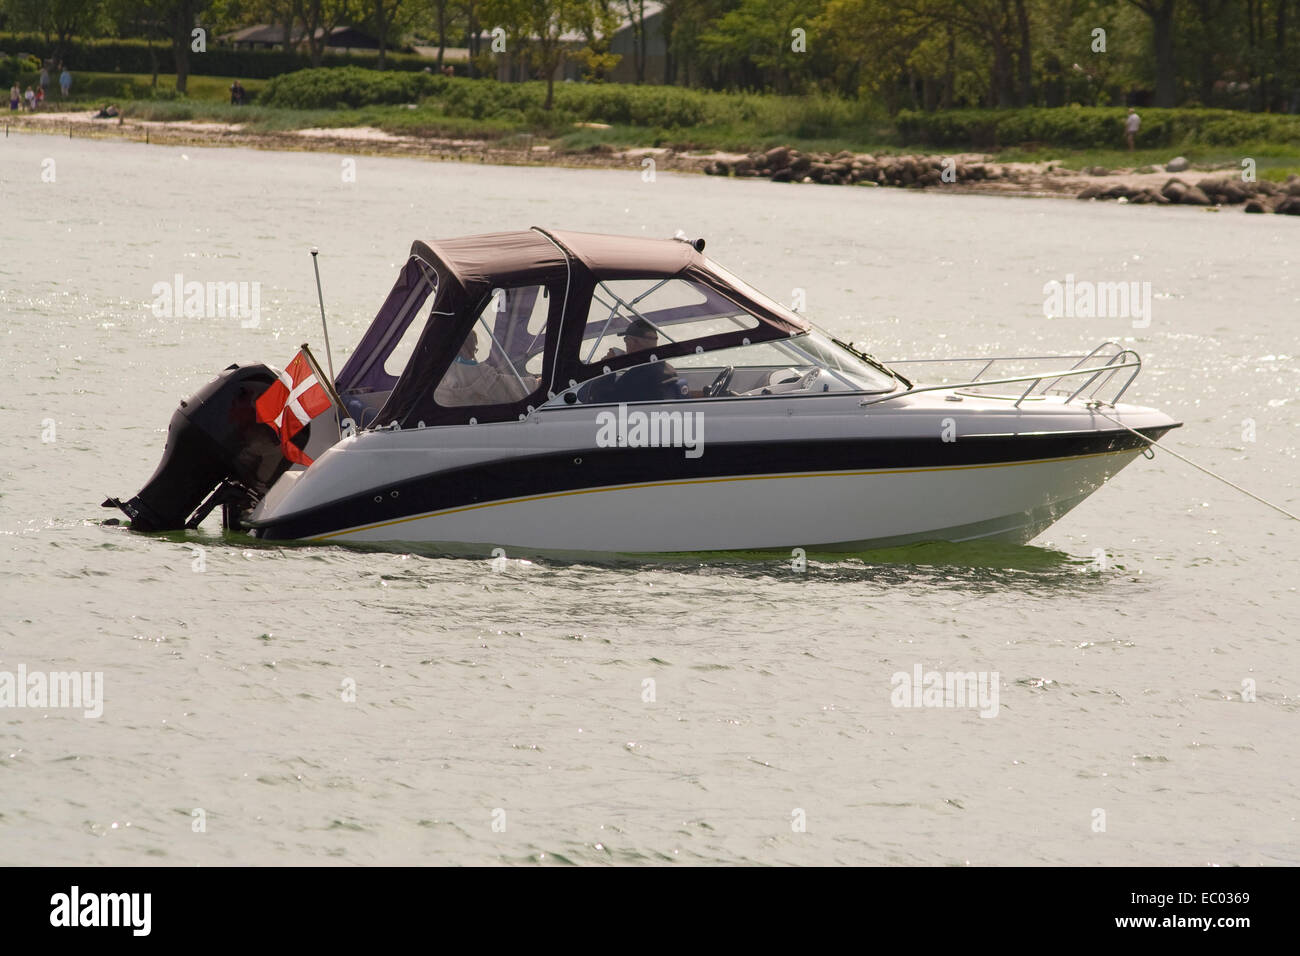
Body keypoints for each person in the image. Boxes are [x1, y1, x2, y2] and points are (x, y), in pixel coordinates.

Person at [590, 317, 689, 403]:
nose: (625, 343)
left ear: (633, 342)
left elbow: (600, 401)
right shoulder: (668, 369)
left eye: (626, 339)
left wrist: (608, 367)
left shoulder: (636, 377)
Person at [434, 328, 538, 407]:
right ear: (469, 349)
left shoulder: (435, 374)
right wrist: (537, 382)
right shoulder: (483, 376)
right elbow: (513, 389)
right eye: (474, 350)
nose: (473, 356)